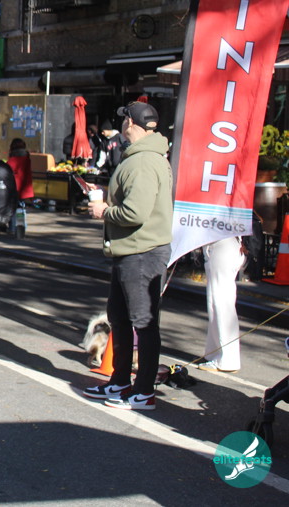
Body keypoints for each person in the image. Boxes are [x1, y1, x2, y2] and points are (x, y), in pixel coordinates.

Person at [85, 100, 172, 411]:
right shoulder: (141, 156)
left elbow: (135, 212)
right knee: (120, 318)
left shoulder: (143, 161)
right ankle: (121, 381)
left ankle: (144, 391)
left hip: (142, 251)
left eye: (124, 120)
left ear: (131, 124)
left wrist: (104, 211)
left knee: (143, 323)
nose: (121, 124)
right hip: (132, 250)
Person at [198, 237, 246, 372]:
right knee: (216, 301)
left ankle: (227, 359)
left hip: (223, 243)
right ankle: (214, 352)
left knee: (221, 301)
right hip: (221, 243)